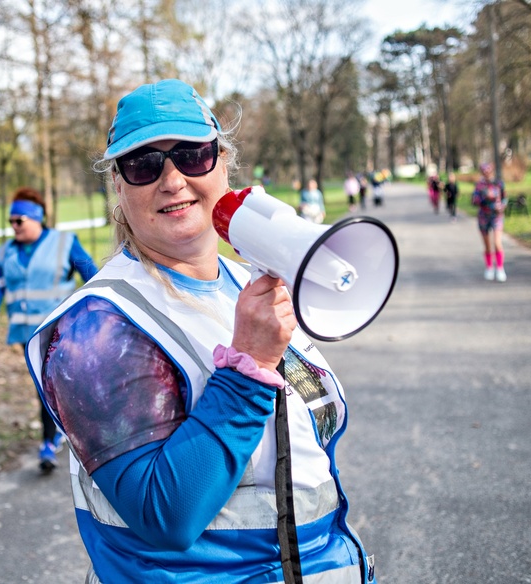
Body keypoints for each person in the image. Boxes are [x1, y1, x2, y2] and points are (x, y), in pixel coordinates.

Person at [25, 79, 375, 583]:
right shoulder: (94, 329)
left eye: (192, 155)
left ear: (222, 162)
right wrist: (249, 369)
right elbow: (166, 514)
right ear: (119, 187)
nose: (171, 180)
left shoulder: (245, 283)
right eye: (144, 164)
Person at [0, 186, 98, 472]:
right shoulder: (8, 250)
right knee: (45, 386)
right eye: (11, 222)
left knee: (55, 383)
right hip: (26, 334)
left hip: (60, 330)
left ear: (37, 218)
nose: (14, 227)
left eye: (18, 221)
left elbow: (90, 272)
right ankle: (56, 434)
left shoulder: (63, 242)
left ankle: (54, 438)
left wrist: (96, 304)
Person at [472, 162, 507, 282]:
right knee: (487, 245)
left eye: (489, 171)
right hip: (483, 217)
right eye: (484, 172)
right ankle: (489, 267)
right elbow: (474, 201)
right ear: (482, 172)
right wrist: (485, 197)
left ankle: (500, 268)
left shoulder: (498, 183)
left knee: (497, 243)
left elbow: (505, 198)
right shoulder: (479, 185)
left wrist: (502, 206)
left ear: (492, 171)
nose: (487, 174)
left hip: (497, 216)